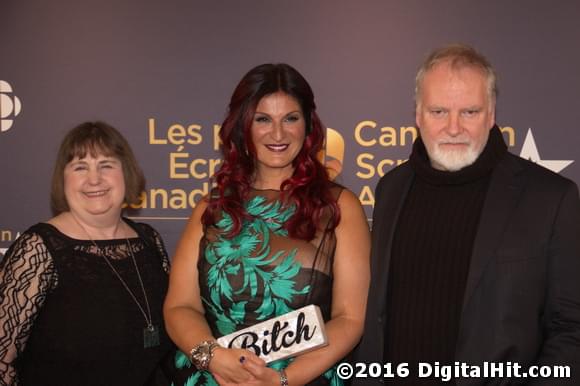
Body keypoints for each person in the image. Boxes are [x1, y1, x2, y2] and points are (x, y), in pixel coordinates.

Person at [354, 44, 580, 385]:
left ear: (491, 115)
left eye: (470, 112)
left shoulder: (550, 198)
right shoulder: (391, 188)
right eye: (439, 111)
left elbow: (571, 328)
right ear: (417, 115)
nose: (454, 127)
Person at [164, 63, 370, 386]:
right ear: (243, 127)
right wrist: (212, 356)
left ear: (308, 126)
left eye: (291, 118)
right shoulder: (212, 207)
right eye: (263, 119)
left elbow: (350, 319)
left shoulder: (339, 207)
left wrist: (282, 380)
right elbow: (179, 306)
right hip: (213, 378)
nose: (278, 134)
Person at [0, 122, 174, 385]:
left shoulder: (149, 241)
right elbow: (3, 359)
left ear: (125, 172)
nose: (94, 179)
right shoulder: (39, 246)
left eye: (106, 165)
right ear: (63, 178)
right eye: (80, 167)